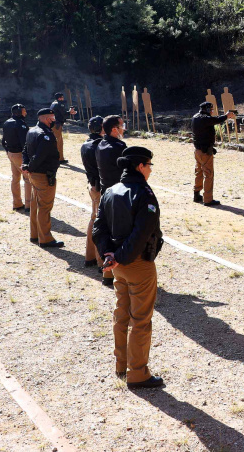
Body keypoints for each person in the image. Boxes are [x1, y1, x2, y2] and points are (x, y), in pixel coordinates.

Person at [93, 146, 165, 389]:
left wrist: (108, 255)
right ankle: (138, 373)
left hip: (117, 263)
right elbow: (141, 233)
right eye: (149, 165)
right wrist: (121, 256)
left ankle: (121, 365)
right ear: (140, 166)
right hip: (136, 263)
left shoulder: (111, 190)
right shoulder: (143, 192)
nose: (151, 170)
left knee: (121, 314)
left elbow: (98, 227)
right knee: (141, 319)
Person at [22, 108, 63, 248]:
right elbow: (40, 156)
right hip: (44, 174)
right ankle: (45, 238)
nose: (54, 120)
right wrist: (30, 167)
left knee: (34, 205)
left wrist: (26, 165)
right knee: (44, 207)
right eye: (53, 117)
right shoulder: (45, 135)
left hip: (35, 174)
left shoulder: (32, 131)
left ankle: (35, 234)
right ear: (47, 119)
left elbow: (25, 150)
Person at [81, 116, 113, 286]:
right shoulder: (99, 145)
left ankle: (90, 256)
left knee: (94, 219)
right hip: (100, 187)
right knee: (102, 223)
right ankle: (101, 261)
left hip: (92, 184)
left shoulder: (86, 143)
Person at [191, 102, 234, 206]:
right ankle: (208, 199)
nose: (212, 111)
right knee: (209, 174)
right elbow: (217, 120)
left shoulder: (195, 117)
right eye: (210, 109)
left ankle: (196, 194)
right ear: (206, 109)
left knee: (199, 172)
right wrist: (227, 116)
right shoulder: (204, 119)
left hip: (198, 150)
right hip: (205, 151)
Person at [2, 104, 32, 212]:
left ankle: (17, 203)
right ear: (19, 112)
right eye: (24, 111)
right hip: (20, 154)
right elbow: (25, 143)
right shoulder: (20, 124)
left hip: (11, 153)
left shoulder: (7, 122)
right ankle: (29, 205)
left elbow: (3, 141)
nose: (25, 113)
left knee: (15, 178)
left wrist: (8, 152)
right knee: (28, 179)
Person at [96, 115, 127, 194]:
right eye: (122, 126)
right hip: (118, 192)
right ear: (114, 129)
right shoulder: (118, 147)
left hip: (105, 191)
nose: (124, 129)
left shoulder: (100, 144)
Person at [50, 92, 76, 163]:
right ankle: (60, 159)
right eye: (62, 97)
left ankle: (54, 157)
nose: (63, 98)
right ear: (60, 98)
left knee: (54, 141)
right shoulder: (59, 104)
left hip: (53, 124)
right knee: (59, 142)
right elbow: (64, 114)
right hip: (57, 125)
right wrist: (70, 112)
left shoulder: (53, 103)